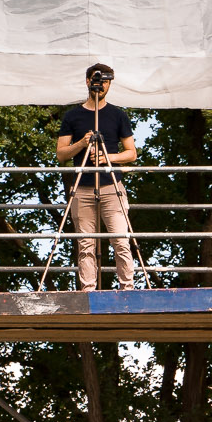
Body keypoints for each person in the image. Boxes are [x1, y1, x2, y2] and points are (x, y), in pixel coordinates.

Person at [56, 62, 138, 290]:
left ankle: (127, 289)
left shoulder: (118, 115)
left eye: (105, 81)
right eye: (97, 80)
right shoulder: (73, 116)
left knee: (121, 240)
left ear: (110, 84)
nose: (101, 85)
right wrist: (81, 144)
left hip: (111, 185)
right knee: (85, 245)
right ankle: (88, 291)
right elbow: (61, 154)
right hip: (82, 187)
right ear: (87, 81)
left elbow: (131, 153)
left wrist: (108, 157)